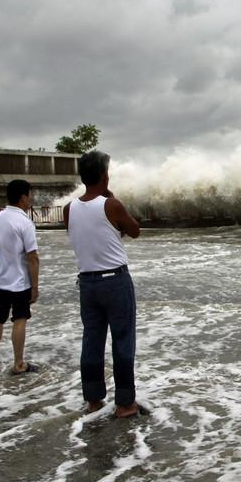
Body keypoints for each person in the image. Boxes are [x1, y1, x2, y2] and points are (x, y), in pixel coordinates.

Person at [63, 150, 141, 418]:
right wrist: (114, 199)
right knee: (122, 340)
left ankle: (94, 400)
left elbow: (90, 233)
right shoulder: (112, 205)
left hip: (87, 283)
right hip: (115, 281)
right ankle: (125, 403)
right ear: (103, 175)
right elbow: (134, 230)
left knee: (92, 340)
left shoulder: (68, 209)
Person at [0, 179, 40, 375]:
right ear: (23, 197)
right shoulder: (24, 223)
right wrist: (35, 287)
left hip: (0, 280)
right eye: (30, 195)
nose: (31, 198)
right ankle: (19, 363)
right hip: (19, 282)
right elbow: (32, 257)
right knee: (20, 319)